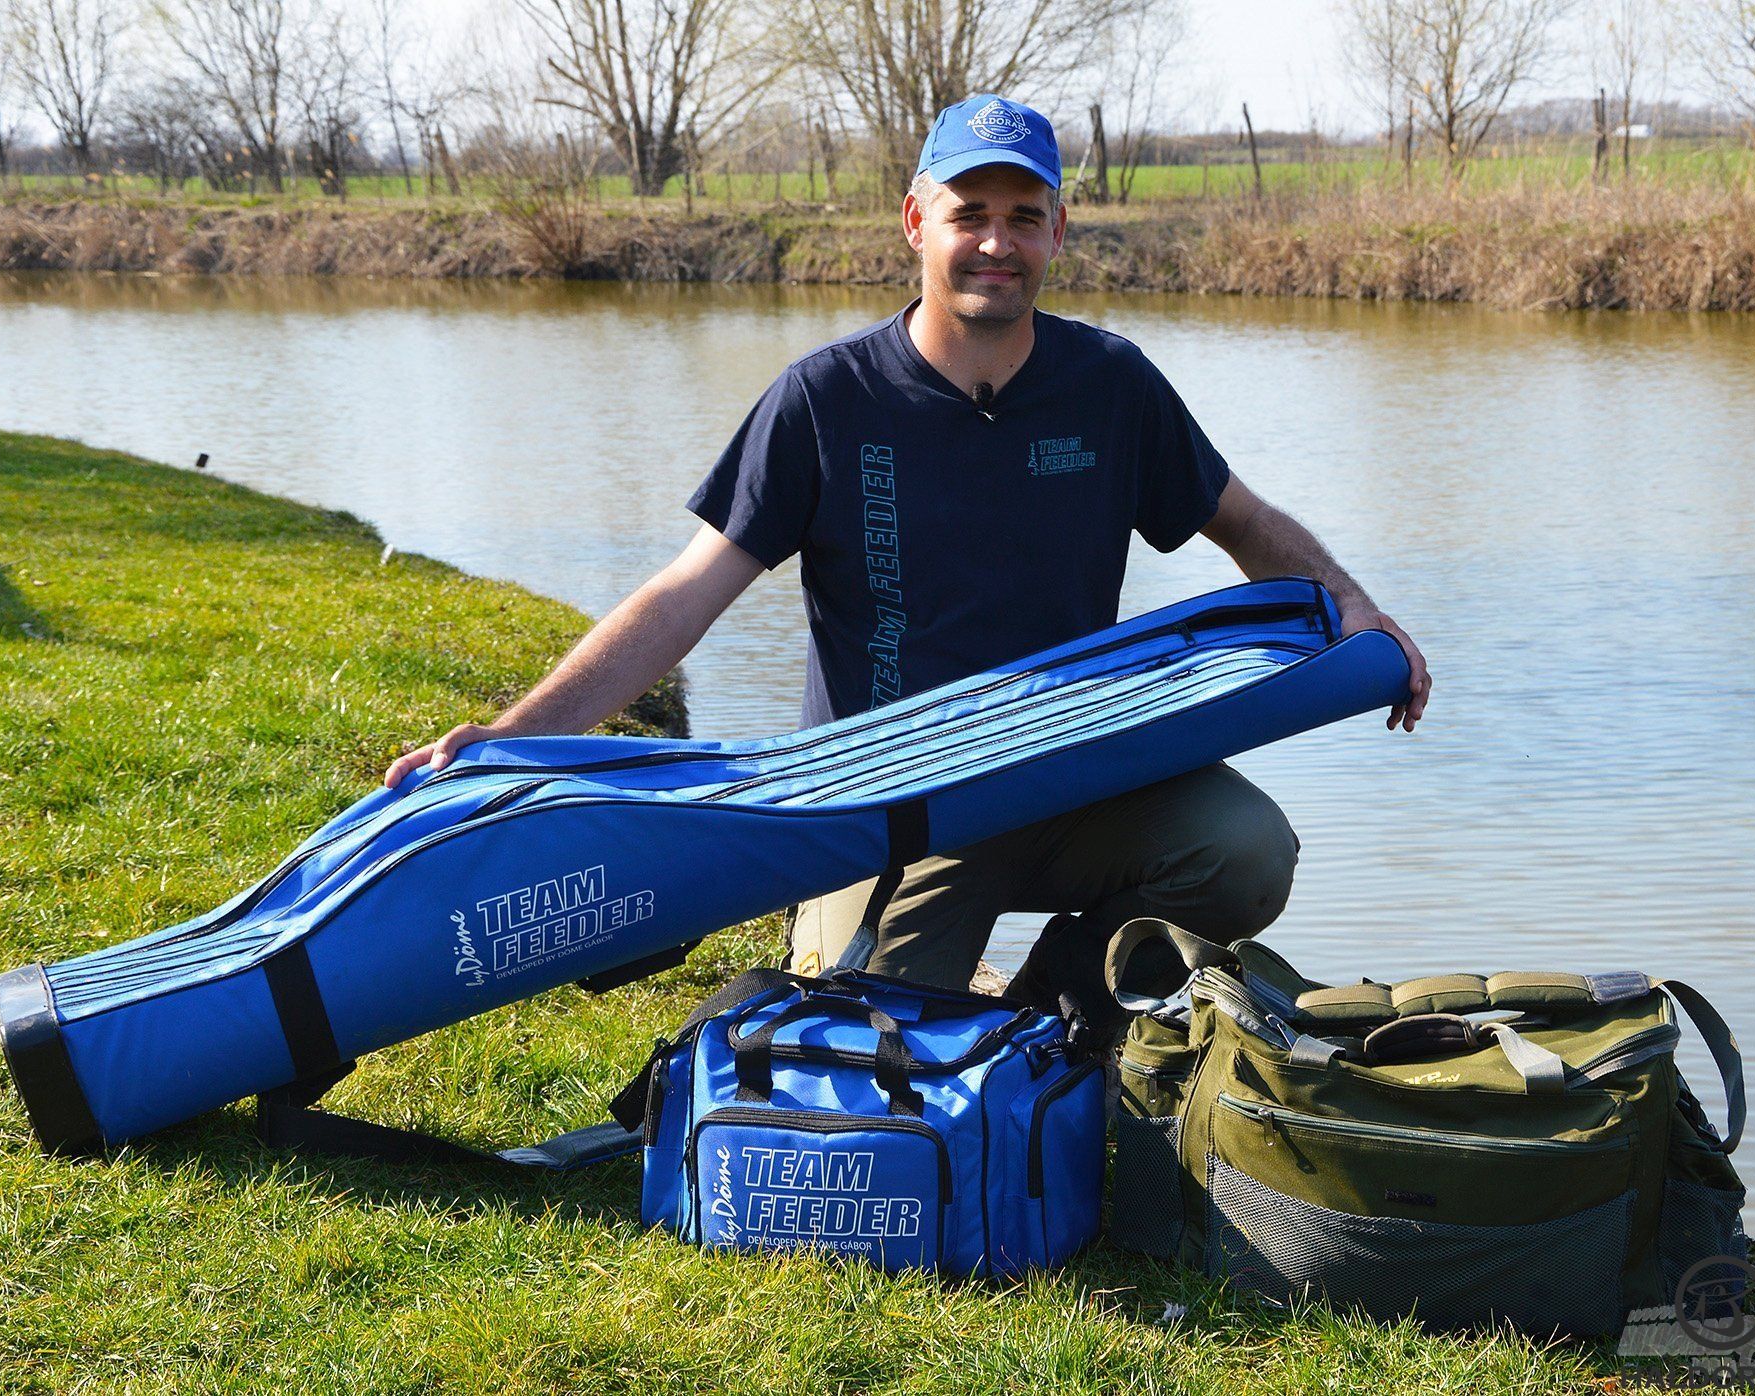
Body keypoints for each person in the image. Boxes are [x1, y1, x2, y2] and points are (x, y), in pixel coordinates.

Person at [385, 94, 1431, 1021]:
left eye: (1023, 217)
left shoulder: (1114, 387)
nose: (995, 242)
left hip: (1071, 772)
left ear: (1058, 231)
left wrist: (1355, 606)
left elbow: (1245, 523)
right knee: (862, 1027)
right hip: (882, 802)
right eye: (969, 214)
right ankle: (888, 982)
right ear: (916, 222)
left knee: (1245, 853)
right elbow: (683, 595)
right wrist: (518, 737)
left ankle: (1045, 1024)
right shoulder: (825, 400)